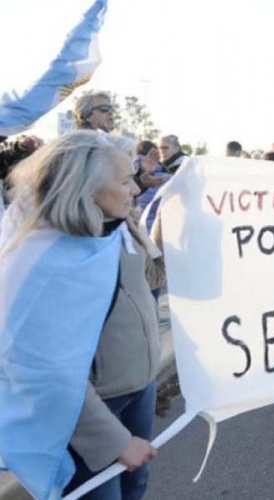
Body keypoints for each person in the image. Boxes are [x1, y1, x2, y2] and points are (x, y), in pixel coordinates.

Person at [0, 130, 165, 499]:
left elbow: (151, 278)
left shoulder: (117, 226)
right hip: (89, 409)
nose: (136, 190)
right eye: (125, 182)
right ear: (87, 189)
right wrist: (114, 440)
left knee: (133, 488)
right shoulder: (44, 259)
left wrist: (184, 224)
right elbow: (42, 369)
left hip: (139, 387)